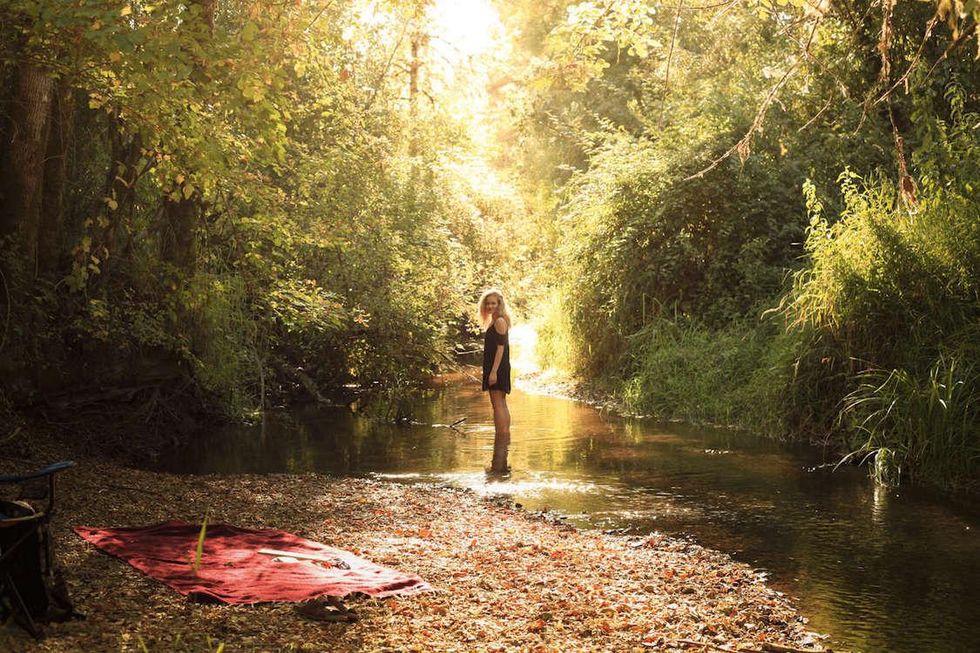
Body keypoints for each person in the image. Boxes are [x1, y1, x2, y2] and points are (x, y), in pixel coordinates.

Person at [478, 288, 511, 474]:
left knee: (497, 404)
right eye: (488, 303)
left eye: (493, 303)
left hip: (497, 368)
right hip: (498, 368)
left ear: (499, 304)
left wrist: (493, 372)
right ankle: (504, 438)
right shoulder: (496, 320)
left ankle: (501, 438)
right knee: (501, 403)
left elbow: (500, 349)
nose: (490, 306)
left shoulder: (499, 321)